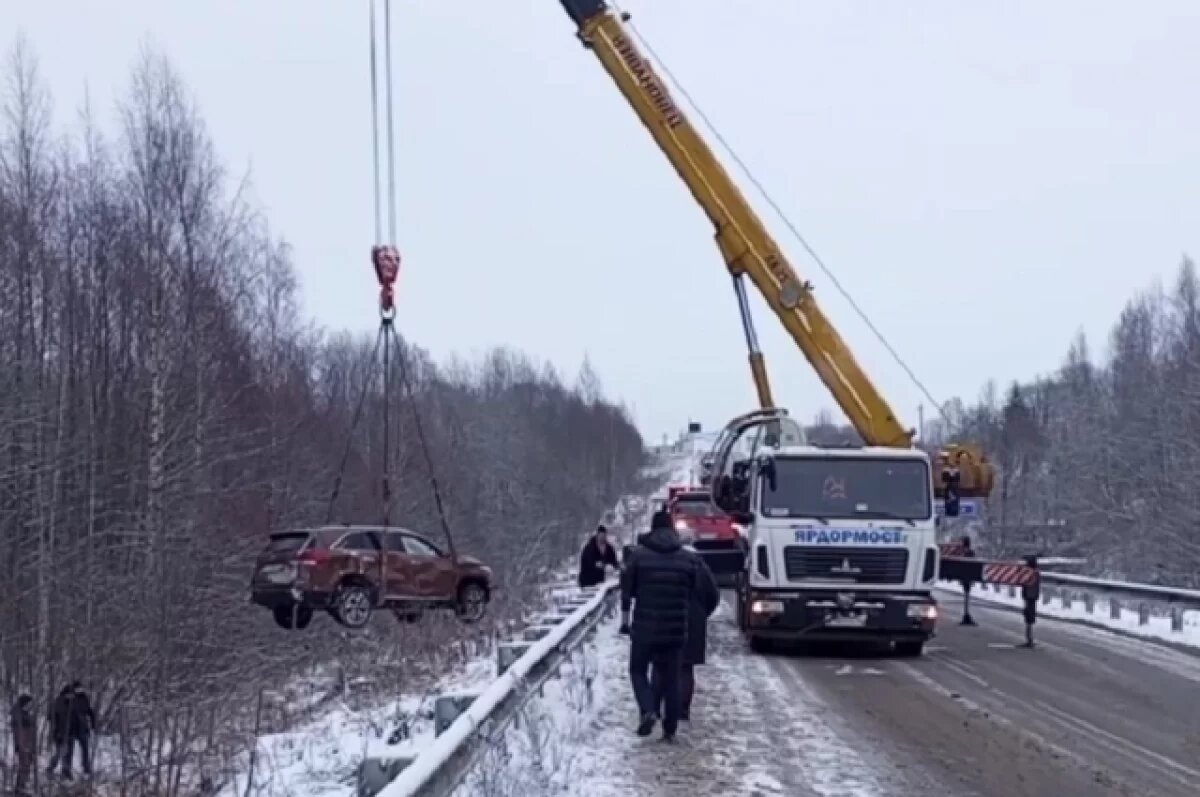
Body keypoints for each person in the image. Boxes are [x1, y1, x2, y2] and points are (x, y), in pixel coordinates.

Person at [619, 509, 707, 742]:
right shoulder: (688, 559)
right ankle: (670, 729)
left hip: (645, 627)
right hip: (676, 629)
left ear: (652, 528)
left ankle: (648, 709)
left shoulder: (638, 556)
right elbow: (699, 592)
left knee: (638, 670)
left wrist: (625, 622)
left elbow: (627, 592)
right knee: (671, 677)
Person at [653, 528, 719, 724]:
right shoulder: (701, 566)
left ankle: (655, 707)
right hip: (694, 622)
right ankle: (682, 709)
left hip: (667, 619)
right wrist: (701, 615)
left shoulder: (669, 562)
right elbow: (713, 596)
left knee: (661, 664)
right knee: (685, 668)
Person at [10, 694, 35, 795]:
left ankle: (21, 787)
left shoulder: (24, 713)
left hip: (27, 743)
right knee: (24, 765)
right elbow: (19, 732)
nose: (30, 706)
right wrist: (23, 746)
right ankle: (20, 788)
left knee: (27, 764)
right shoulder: (19, 715)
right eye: (29, 704)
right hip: (23, 744)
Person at [47, 684, 73, 777]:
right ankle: (52, 768)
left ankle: (66, 770)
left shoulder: (71, 703)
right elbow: (50, 716)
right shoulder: (58, 703)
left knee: (68, 752)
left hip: (69, 732)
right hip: (59, 732)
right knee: (60, 752)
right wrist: (57, 729)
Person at [1019, 555, 1040, 648]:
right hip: (1032, 596)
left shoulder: (1029, 573)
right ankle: (1029, 638)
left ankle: (1029, 639)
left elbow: (1025, 583)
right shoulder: (1036, 572)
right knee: (1029, 617)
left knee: (1028, 617)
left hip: (1029, 596)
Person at [959, 536, 977, 626]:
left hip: (964, 576)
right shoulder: (970, 552)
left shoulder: (962, 552)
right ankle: (966, 614)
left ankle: (966, 613)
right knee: (967, 594)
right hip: (968, 577)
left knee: (966, 594)